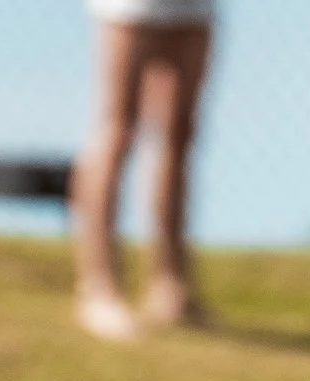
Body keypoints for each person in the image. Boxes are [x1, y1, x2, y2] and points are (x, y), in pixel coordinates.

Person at [73, 0, 215, 339]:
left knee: (179, 135)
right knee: (118, 130)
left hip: (193, 8)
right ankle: (100, 287)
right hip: (131, 9)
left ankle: (170, 287)